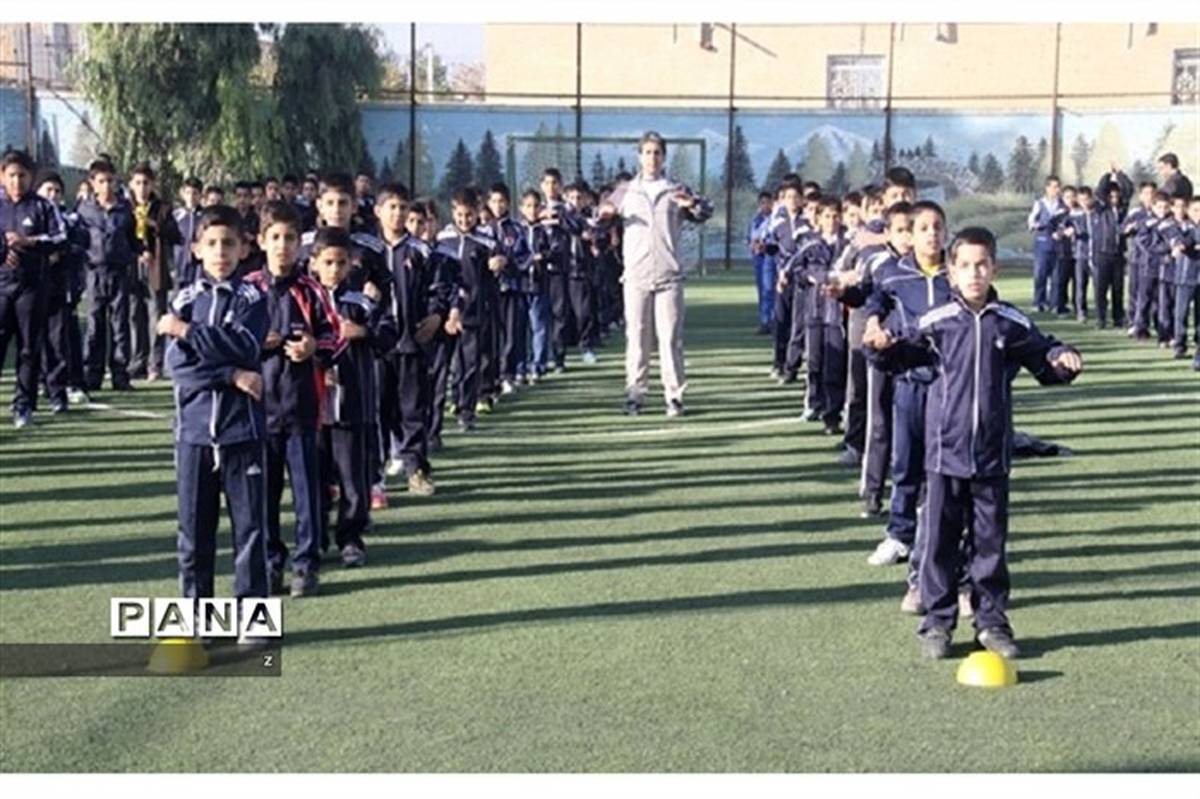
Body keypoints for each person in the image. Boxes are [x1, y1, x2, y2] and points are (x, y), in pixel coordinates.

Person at [865, 226, 1083, 660]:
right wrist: (881, 346)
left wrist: (1063, 360)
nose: (974, 273)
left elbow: (1045, 356)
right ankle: (937, 622)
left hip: (991, 456)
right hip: (943, 453)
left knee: (989, 546)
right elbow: (899, 353)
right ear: (951, 271)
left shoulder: (1010, 322)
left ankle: (991, 623)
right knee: (939, 543)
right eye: (965, 265)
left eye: (982, 265)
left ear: (994, 269)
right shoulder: (937, 321)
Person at [159, 204, 270, 610]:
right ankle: (196, 615)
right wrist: (232, 375)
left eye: (229, 243)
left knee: (250, 530)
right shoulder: (184, 299)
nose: (220, 251)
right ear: (196, 249)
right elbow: (178, 366)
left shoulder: (253, 297)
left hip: (242, 430)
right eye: (212, 243)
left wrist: (187, 332)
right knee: (193, 533)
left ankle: (252, 615)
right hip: (193, 432)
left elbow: (245, 346)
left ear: (244, 249)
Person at [862, 201, 957, 617]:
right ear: (911, 235)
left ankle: (946, 554)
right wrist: (873, 321)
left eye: (938, 227)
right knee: (906, 465)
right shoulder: (895, 273)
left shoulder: (958, 272)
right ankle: (900, 534)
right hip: (910, 383)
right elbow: (876, 299)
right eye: (923, 228)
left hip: (949, 387)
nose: (932, 234)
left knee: (944, 474)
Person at [244, 201, 344, 598]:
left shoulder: (311, 290)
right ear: (261, 241)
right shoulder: (248, 289)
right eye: (275, 238)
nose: (282, 246)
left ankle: (306, 564)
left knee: (307, 493)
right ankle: (271, 561)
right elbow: (228, 340)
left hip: (302, 408)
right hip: (258, 411)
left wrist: (312, 349)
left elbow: (334, 335)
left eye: (289, 238)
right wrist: (255, 343)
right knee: (264, 495)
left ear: (300, 244)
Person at [599, 131, 713, 418]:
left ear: (664, 156)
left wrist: (692, 205)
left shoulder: (675, 189)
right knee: (637, 339)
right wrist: (605, 215)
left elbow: (705, 211)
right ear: (639, 156)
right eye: (647, 152)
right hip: (636, 277)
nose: (652, 158)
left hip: (669, 277)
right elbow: (598, 220)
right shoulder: (625, 190)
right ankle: (635, 394)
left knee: (670, 339)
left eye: (657, 153)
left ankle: (674, 396)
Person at [311, 226, 396, 566]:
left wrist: (363, 332)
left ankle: (351, 537)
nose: (334, 269)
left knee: (353, 478)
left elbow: (388, 332)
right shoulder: (305, 300)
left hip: (353, 404)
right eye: (328, 262)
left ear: (351, 265)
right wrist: (317, 363)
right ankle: (315, 537)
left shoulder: (360, 301)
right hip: (313, 407)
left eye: (341, 263)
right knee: (315, 478)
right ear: (314, 263)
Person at [376, 182, 457, 494]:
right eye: (391, 207)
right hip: (377, 347)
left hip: (411, 343)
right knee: (378, 411)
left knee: (412, 410)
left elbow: (438, 290)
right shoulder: (366, 250)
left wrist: (436, 315)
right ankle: (375, 473)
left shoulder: (421, 251)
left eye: (402, 207)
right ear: (378, 211)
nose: (397, 213)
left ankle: (417, 470)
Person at [1, 149, 65, 428]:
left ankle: (23, 405)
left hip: (31, 287)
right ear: (2, 176)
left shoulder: (43, 206)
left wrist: (29, 242)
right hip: (1, 287)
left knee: (29, 348)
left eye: (22, 175)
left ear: (31, 177)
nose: (17, 181)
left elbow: (61, 237)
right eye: (12, 175)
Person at [435, 187, 504, 432]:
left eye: (469, 215)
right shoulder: (442, 240)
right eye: (460, 215)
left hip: (473, 311)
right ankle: (452, 401)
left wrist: (499, 264)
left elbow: (498, 267)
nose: (464, 220)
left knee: (470, 363)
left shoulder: (486, 242)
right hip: (446, 314)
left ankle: (467, 411)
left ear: (477, 213)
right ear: (453, 212)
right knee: (449, 364)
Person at [77, 158, 140, 392]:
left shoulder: (125, 209)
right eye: (101, 181)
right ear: (92, 183)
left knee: (120, 325)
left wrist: (138, 252)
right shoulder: (84, 210)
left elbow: (133, 239)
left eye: (110, 181)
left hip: (119, 272)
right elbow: (78, 241)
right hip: (94, 272)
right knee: (94, 324)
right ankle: (92, 374)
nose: (106, 186)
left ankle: (120, 374)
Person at [790, 195, 848, 435]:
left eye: (835, 216)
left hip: (836, 314)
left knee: (834, 364)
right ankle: (815, 402)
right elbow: (796, 270)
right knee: (815, 361)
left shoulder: (847, 245)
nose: (831, 220)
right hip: (814, 311)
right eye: (827, 216)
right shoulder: (810, 243)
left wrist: (838, 279)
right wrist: (812, 277)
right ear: (818, 218)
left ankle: (832, 414)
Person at [34, 171, 87, 414]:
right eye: (48, 190)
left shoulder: (70, 220)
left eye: (57, 190)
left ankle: (65, 385)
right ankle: (36, 383)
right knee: (32, 338)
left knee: (61, 336)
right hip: (31, 287)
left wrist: (61, 253)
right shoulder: (29, 215)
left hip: (61, 287)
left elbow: (79, 245)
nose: (53, 195)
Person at [127, 163, 182, 381]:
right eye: (138, 183)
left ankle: (155, 364)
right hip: (132, 266)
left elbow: (176, 236)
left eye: (146, 183)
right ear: (131, 184)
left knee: (155, 315)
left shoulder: (162, 208)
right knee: (134, 315)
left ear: (152, 185)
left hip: (155, 267)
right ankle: (137, 362)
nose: (142, 188)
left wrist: (155, 225)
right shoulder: (125, 207)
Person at [1027, 175, 1069, 313]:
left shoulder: (1063, 205)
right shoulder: (1040, 203)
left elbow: (1066, 222)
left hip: (1057, 245)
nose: (1057, 190)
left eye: (1058, 187)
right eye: (1054, 187)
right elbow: (1031, 222)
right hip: (1042, 244)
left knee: (1057, 276)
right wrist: (1039, 225)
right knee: (1040, 275)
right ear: (1047, 188)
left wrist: (1061, 232)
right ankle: (1039, 302)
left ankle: (1054, 304)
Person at [1169, 197, 1200, 367]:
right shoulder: (1180, 226)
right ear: (1188, 211)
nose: (1198, 214)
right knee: (1181, 314)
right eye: (1195, 210)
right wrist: (1183, 246)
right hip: (1184, 277)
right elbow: (1180, 241)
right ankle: (1180, 345)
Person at [748, 191, 775, 335]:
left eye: (768, 202)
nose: (765, 205)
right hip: (759, 258)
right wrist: (753, 245)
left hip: (770, 256)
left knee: (770, 289)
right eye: (762, 203)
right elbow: (750, 238)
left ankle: (772, 320)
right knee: (762, 290)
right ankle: (764, 321)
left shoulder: (774, 219)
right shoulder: (755, 220)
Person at [173, 177, 204, 289]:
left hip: (199, 265)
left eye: (195, 193)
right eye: (188, 193)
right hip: (180, 262)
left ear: (200, 195)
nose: (191, 197)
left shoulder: (205, 216)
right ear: (183, 194)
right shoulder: (176, 215)